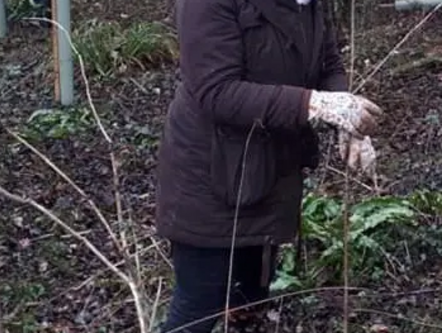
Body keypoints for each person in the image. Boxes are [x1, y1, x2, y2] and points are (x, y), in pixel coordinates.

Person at [155, 0, 383, 332]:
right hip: (209, 178)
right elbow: (216, 91)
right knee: (199, 306)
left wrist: (346, 118)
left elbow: (327, 61)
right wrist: (316, 105)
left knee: (251, 298)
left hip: (271, 175)